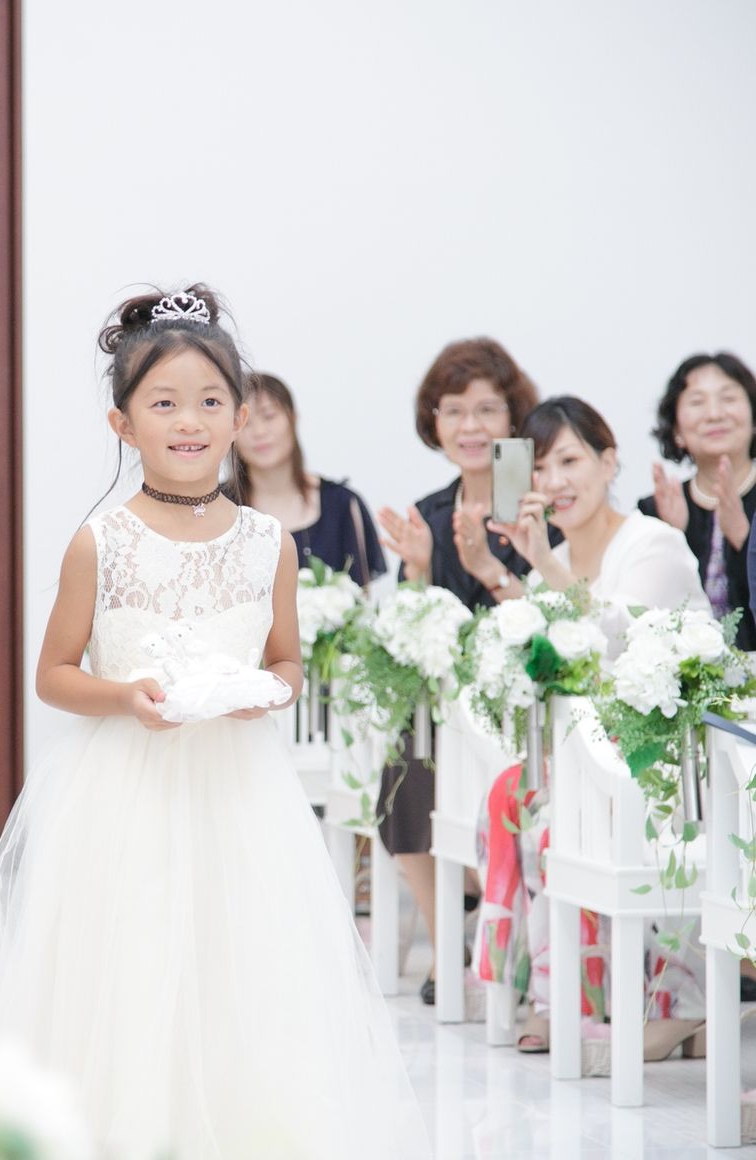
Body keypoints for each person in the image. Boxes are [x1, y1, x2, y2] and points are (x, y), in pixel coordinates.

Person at [0, 286, 427, 1160]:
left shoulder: (267, 542)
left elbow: (287, 662)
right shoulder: (101, 541)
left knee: (240, 966)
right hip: (125, 794)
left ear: (240, 417)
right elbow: (54, 676)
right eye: (164, 404)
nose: (190, 421)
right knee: (133, 967)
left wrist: (269, 693)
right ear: (123, 423)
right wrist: (126, 697)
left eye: (211, 401)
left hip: (240, 798)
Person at [472, 396, 710, 1054]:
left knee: (553, 809)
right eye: (540, 468)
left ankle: (673, 1003)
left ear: (609, 463)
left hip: (668, 762)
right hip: (592, 761)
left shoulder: (653, 543)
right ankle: (560, 996)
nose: (554, 482)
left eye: (570, 461)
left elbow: (619, 643)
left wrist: (543, 567)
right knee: (518, 797)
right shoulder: (550, 556)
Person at [375, 336, 548, 1005]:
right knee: (403, 759)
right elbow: (412, 634)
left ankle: (489, 918)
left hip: (524, 706)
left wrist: (489, 567)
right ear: (435, 424)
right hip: (450, 710)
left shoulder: (537, 508)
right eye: (453, 411)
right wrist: (419, 567)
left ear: (513, 418)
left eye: (486, 410)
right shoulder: (430, 513)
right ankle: (447, 939)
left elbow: (553, 615)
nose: (470, 427)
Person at [640, 352, 756, 651]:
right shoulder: (653, 511)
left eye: (728, 398)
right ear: (677, 431)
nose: (714, 414)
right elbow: (645, 619)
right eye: (697, 402)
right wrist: (671, 539)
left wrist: (744, 540)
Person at [233, 372, 386, 586]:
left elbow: (361, 596)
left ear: (293, 418)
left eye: (269, 416)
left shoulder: (341, 504)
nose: (259, 432)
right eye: (245, 422)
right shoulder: (216, 507)